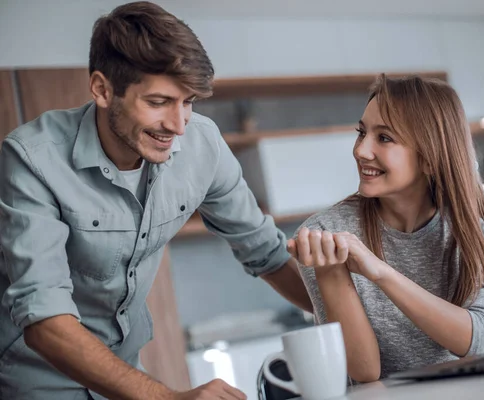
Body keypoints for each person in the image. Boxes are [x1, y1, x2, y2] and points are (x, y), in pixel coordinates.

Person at [0, 2, 311, 399]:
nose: (178, 126)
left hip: (125, 370)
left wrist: (353, 326)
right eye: (159, 102)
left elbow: (266, 251)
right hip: (38, 379)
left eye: (189, 101)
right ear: (102, 89)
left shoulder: (203, 143)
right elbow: (45, 320)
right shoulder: (33, 158)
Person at [287, 75, 484, 383]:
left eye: (384, 138)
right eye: (362, 133)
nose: (361, 150)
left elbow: (475, 339)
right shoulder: (325, 234)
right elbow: (365, 372)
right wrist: (331, 270)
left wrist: (380, 272)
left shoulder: (472, 233)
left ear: (429, 158)